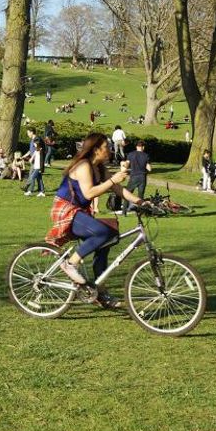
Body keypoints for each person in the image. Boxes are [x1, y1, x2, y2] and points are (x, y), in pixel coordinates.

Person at [46, 132, 144, 308]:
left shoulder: (99, 168)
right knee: (102, 232)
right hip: (66, 210)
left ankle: (99, 291)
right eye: (106, 147)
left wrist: (141, 202)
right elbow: (89, 193)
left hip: (80, 212)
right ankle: (70, 264)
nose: (109, 150)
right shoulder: (84, 166)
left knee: (108, 239)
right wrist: (113, 179)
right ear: (96, 149)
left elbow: (118, 189)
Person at [125, 140, 152, 206]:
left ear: (136, 146)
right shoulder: (146, 155)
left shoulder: (131, 154)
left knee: (128, 194)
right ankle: (140, 211)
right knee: (140, 196)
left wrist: (123, 165)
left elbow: (126, 165)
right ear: (143, 147)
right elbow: (149, 168)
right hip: (142, 177)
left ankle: (124, 211)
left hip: (133, 176)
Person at [23, 129, 46, 196]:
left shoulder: (37, 139)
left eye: (28, 133)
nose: (27, 134)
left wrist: (32, 158)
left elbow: (37, 151)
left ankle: (29, 190)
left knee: (32, 176)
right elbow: (33, 151)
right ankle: (42, 192)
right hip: (36, 163)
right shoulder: (34, 140)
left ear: (32, 132)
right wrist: (25, 156)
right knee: (39, 177)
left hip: (38, 163)